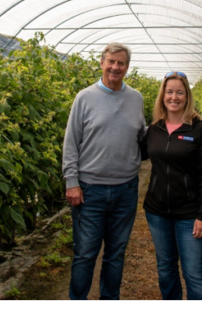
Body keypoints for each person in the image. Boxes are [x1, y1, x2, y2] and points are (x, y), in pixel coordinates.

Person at [62, 42, 146, 300]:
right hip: (90, 191)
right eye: (111, 61)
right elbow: (71, 142)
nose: (115, 67)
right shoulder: (85, 97)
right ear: (101, 63)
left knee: (116, 253)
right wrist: (71, 182)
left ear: (127, 67)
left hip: (126, 189)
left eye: (121, 63)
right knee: (85, 253)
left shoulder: (136, 98)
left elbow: (142, 137)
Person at [141, 71, 202, 300]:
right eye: (169, 92)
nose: (174, 97)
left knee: (193, 273)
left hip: (189, 214)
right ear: (162, 96)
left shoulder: (199, 130)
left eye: (179, 92)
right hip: (157, 212)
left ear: (187, 96)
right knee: (165, 268)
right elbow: (136, 154)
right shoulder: (154, 129)